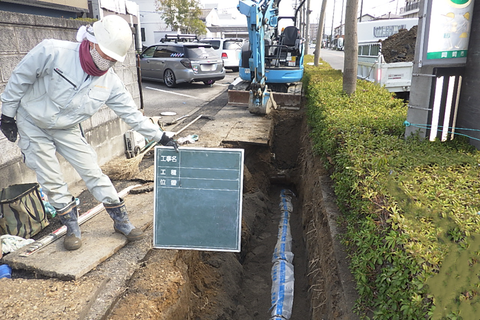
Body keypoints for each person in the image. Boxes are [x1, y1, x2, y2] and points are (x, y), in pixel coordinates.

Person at [0, 15, 176, 251]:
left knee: (92, 170)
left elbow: (132, 115)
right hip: (32, 122)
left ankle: (121, 220)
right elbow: (19, 79)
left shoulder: (110, 83)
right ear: (92, 42)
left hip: (67, 127)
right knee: (51, 177)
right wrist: (7, 115)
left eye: (113, 60)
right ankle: (71, 227)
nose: (106, 63)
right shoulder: (52, 52)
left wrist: (161, 136)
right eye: (105, 55)